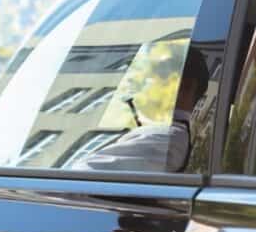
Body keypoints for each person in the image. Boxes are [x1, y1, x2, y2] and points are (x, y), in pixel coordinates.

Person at [72, 47, 210, 173]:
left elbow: (81, 174)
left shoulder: (165, 138)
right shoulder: (161, 133)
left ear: (183, 85)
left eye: (154, 72)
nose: (137, 80)